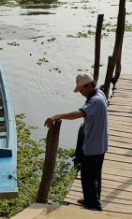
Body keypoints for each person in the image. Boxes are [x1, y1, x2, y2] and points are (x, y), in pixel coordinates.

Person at [45, 73, 108, 211]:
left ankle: (94, 206)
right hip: (100, 144)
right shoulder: (101, 94)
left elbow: (78, 114)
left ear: (89, 85)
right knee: (95, 175)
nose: (81, 93)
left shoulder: (95, 101)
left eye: (82, 90)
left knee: (87, 176)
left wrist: (56, 116)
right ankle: (91, 198)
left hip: (93, 145)